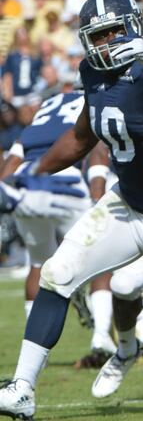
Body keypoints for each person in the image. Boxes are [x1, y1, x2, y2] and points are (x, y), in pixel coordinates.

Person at [0, 0, 143, 420]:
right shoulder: (93, 72)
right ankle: (22, 389)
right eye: (97, 37)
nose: (106, 44)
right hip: (127, 203)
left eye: (114, 32)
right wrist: (29, 171)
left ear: (134, 27)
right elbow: (83, 135)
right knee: (57, 273)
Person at [0, 91, 116, 364]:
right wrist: (97, 195)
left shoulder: (42, 114)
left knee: (38, 263)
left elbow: (12, 162)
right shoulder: (94, 100)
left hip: (27, 182)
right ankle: (101, 336)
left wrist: (6, 191)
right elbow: (97, 148)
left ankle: (34, 345)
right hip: (66, 182)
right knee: (102, 260)